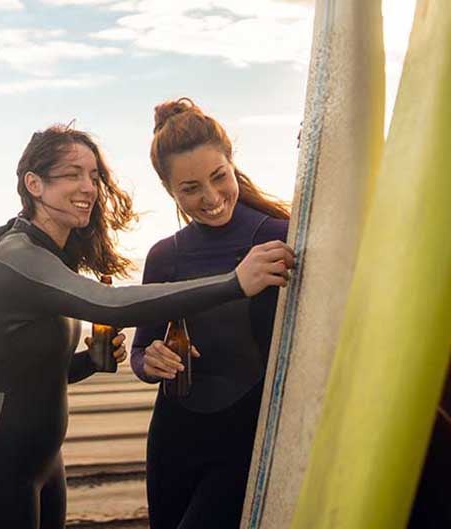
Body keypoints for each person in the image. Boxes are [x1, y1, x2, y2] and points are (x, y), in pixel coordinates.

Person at [0, 124, 294, 529]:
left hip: (42, 460)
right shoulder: (18, 258)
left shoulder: (50, 255)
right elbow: (110, 304)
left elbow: (31, 372)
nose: (88, 187)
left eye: (94, 176)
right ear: (34, 184)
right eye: (73, 174)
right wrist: (235, 282)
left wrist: (86, 364)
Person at [130, 98, 292, 529]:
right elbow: (140, 351)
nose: (212, 198)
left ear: (231, 163)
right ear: (170, 190)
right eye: (190, 188)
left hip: (247, 436)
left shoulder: (279, 237)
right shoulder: (164, 257)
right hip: (173, 436)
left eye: (219, 177)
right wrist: (152, 360)